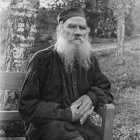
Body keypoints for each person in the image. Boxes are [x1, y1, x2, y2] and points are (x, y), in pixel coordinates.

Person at [19, 8, 114, 140]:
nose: (77, 32)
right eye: (72, 27)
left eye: (82, 28)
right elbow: (27, 106)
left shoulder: (89, 60)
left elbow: (105, 89)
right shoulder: (41, 59)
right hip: (46, 127)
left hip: (79, 125)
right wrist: (67, 114)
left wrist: (91, 97)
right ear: (60, 30)